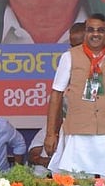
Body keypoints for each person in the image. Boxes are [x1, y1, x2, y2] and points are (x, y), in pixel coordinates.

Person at [44, 13, 105, 177]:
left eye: (100, 30)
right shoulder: (70, 57)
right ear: (85, 33)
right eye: (91, 30)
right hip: (79, 129)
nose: (95, 34)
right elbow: (56, 95)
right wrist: (51, 134)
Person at [27, 22, 86, 175]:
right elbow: (56, 98)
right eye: (72, 45)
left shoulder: (104, 65)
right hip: (67, 130)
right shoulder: (68, 62)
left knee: (86, 180)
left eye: (79, 45)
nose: (75, 50)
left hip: (92, 133)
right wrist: (51, 133)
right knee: (60, 176)